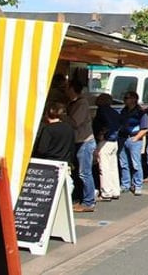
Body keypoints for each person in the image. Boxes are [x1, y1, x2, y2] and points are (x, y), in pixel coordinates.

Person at [66, 81, 96, 213]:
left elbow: (75, 122)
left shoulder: (81, 103)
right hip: (80, 141)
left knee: (84, 173)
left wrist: (60, 115)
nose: (66, 91)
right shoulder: (74, 103)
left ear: (73, 89)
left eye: (68, 88)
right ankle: (81, 199)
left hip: (85, 141)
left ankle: (89, 202)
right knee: (80, 173)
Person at [118, 91, 148, 196]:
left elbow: (145, 128)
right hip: (122, 138)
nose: (125, 100)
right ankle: (125, 184)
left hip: (134, 139)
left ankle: (138, 185)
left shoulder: (141, 112)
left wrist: (136, 138)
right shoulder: (123, 111)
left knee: (136, 163)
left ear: (134, 99)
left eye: (127, 98)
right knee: (124, 163)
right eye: (125, 97)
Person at [93, 93, 121, 201]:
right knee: (113, 167)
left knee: (104, 167)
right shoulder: (114, 112)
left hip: (105, 141)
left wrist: (101, 134)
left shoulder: (101, 111)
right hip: (114, 141)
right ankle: (115, 190)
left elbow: (105, 124)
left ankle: (106, 193)